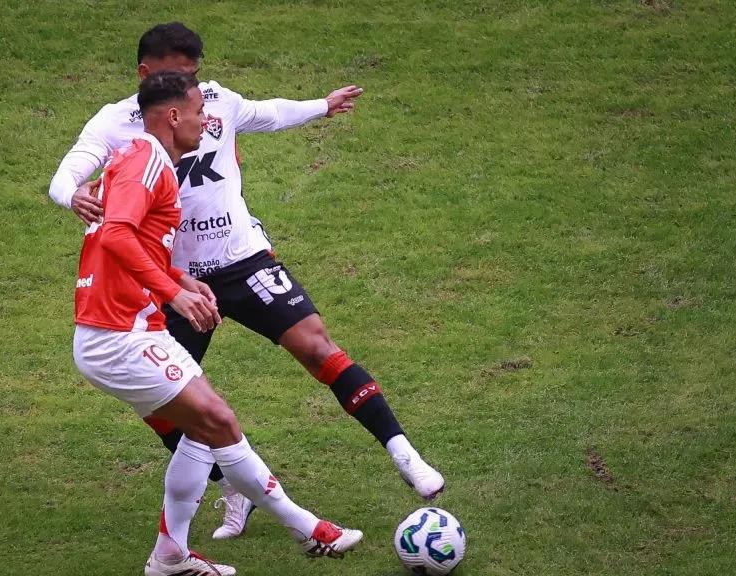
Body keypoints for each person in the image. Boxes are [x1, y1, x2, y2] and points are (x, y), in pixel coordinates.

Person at [51, 22, 445, 541]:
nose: (196, 92)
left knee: (316, 346)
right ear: (147, 75)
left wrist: (321, 106)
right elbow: (70, 172)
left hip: (241, 259)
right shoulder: (120, 127)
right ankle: (232, 492)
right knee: (174, 407)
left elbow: (267, 112)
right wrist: (69, 194)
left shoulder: (212, 101)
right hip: (177, 280)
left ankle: (404, 453)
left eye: (195, 76)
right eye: (179, 77)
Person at [72, 69, 362, 576]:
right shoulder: (146, 161)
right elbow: (116, 236)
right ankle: (312, 531)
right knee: (220, 423)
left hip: (123, 328)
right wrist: (172, 295)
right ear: (173, 116)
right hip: (118, 334)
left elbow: (128, 239)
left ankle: (170, 556)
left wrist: (179, 278)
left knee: (199, 433)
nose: (208, 120)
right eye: (199, 111)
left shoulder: (141, 157)